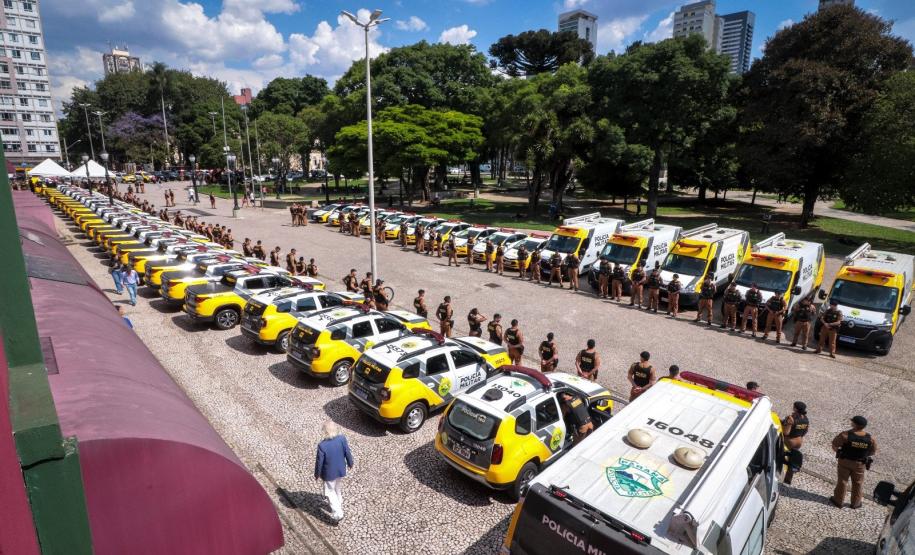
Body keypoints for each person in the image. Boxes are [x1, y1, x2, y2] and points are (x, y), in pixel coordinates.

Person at [831, 416, 876, 509]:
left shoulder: (845, 435)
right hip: (860, 464)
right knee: (858, 483)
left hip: (845, 461)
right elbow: (872, 452)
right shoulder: (870, 439)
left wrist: (840, 452)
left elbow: (835, 445)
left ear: (854, 424)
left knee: (842, 481)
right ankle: (855, 503)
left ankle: (838, 501)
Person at [314, 421, 354, 522]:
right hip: (340, 470)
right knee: (337, 487)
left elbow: (319, 462)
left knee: (329, 492)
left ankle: (338, 513)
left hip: (329, 474)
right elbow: (347, 452)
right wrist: (350, 463)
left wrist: (317, 474)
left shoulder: (322, 445)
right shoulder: (341, 439)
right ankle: (339, 502)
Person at [781, 401, 809, 485]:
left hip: (790, 441)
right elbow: (805, 431)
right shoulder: (805, 418)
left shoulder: (791, 418)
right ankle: (788, 479)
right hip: (799, 441)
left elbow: (786, 432)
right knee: (792, 460)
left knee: (782, 457)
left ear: (795, 408)